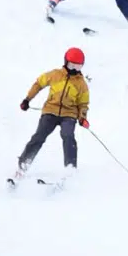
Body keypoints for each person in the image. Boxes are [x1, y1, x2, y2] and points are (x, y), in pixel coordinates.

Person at [16, 47, 90, 175]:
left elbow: (83, 103)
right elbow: (39, 83)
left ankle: (70, 170)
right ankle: (24, 164)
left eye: (77, 67)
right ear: (66, 63)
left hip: (69, 114)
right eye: (71, 65)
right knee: (39, 136)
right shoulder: (55, 75)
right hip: (50, 110)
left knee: (68, 136)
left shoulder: (81, 84)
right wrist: (27, 100)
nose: (73, 70)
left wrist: (82, 118)